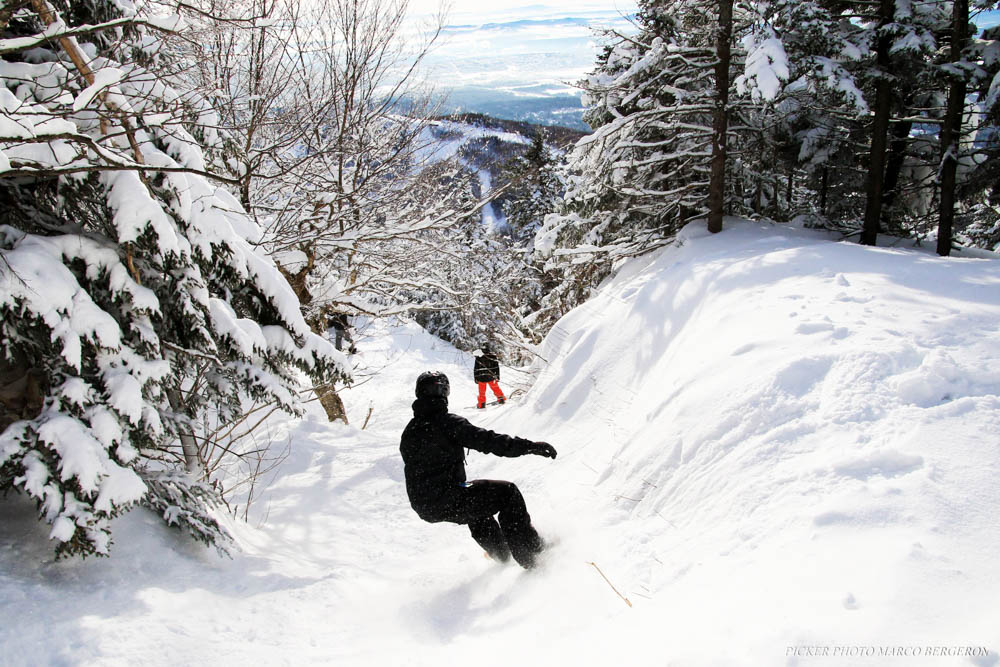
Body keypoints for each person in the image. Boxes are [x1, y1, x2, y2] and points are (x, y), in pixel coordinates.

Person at [399, 371, 557, 569]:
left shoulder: (410, 431)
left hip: (425, 506)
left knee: (476, 506)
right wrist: (529, 446)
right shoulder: (447, 423)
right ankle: (534, 555)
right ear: (445, 392)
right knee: (507, 493)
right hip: (447, 496)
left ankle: (503, 556)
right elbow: (488, 441)